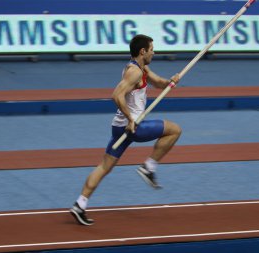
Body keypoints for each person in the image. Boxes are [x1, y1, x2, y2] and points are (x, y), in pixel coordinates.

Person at [70, 34, 182, 226]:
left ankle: (80, 204)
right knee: (174, 130)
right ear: (143, 51)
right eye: (152, 49)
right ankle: (149, 167)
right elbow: (116, 95)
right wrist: (131, 119)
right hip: (132, 127)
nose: (154, 53)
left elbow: (156, 81)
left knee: (105, 166)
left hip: (119, 127)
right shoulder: (134, 72)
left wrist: (170, 81)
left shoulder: (142, 68)